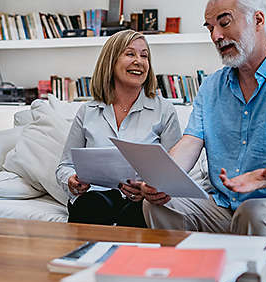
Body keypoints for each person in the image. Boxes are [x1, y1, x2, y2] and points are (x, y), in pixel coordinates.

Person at [141, 0, 266, 239]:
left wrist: (261, 177)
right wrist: (161, 180)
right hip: (227, 206)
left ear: (258, 20)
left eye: (224, 22)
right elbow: (190, 143)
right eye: (210, 28)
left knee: (254, 212)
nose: (216, 36)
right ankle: (185, 273)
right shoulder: (211, 86)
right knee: (159, 205)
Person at [56, 30, 182, 227]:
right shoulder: (87, 111)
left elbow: (175, 171)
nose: (139, 61)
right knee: (92, 205)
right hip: (94, 198)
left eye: (144, 55)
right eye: (130, 54)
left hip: (141, 201)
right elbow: (65, 166)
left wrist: (147, 189)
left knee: (138, 213)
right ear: (110, 62)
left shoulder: (164, 110)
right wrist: (71, 181)